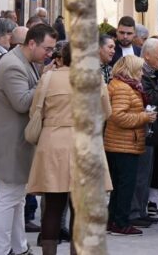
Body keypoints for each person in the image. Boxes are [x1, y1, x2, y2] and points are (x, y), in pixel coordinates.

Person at [0, 23, 58, 255]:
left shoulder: (26, 61)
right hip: (8, 143)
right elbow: (21, 102)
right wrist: (45, 81)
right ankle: (0, 250)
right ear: (31, 43)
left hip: (15, 141)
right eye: (47, 49)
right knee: (7, 197)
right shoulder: (12, 64)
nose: (49, 54)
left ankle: (19, 247)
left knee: (16, 198)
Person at [26, 43, 112, 254]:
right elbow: (106, 112)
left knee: (53, 207)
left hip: (53, 142)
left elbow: (35, 111)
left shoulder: (48, 78)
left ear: (62, 58)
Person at [105, 55, 156, 236]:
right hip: (123, 143)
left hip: (122, 142)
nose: (142, 73)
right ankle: (120, 223)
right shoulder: (123, 88)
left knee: (119, 186)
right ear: (131, 69)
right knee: (125, 185)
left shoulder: (123, 85)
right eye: (140, 69)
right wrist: (144, 117)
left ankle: (113, 221)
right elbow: (118, 116)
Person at [130, 38, 158, 227]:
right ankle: (135, 211)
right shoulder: (141, 74)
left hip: (151, 131)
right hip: (143, 129)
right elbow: (149, 99)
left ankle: (141, 209)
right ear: (147, 55)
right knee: (140, 174)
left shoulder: (151, 73)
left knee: (147, 173)